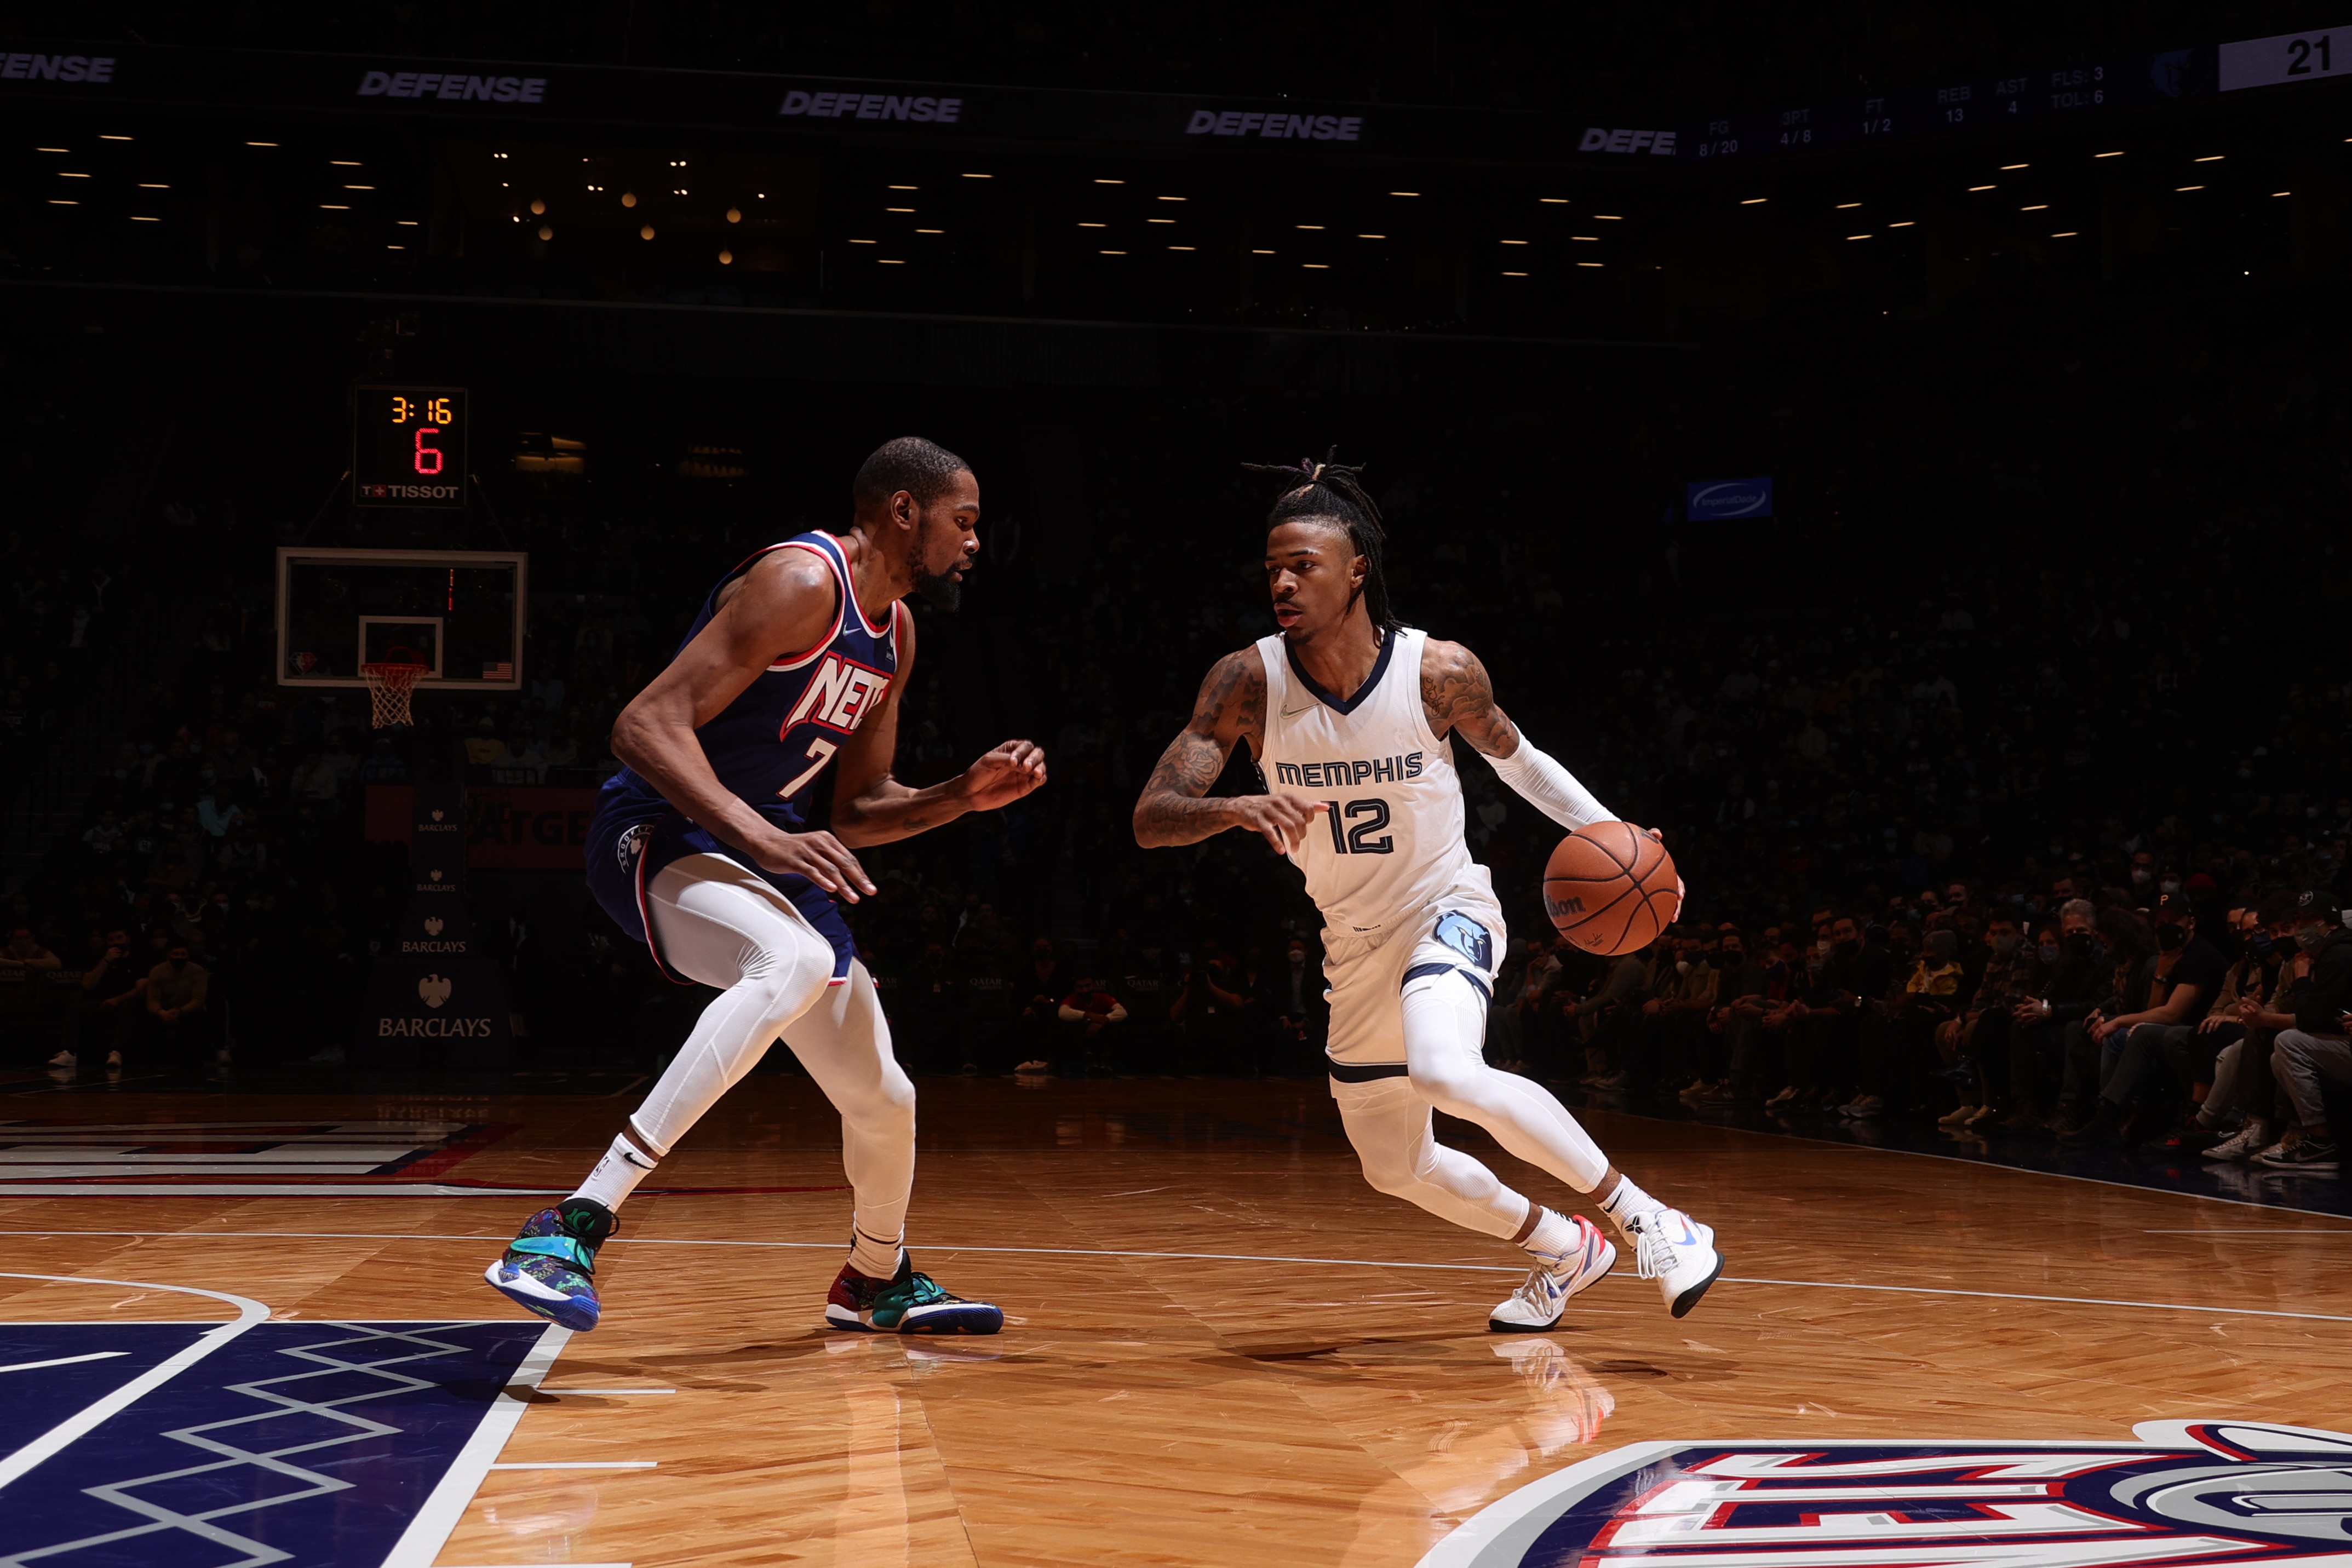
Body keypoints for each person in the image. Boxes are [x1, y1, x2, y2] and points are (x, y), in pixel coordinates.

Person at [1132, 452, 1720, 1331]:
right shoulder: (1246, 680)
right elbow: (1152, 816)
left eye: (1303, 566)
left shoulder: (1437, 671)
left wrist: (1609, 831)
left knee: (1448, 1070)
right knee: (1391, 1166)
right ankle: (1564, 1247)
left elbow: (1518, 760)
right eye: (1272, 570)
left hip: (1446, 907)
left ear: (1357, 570)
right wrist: (1235, 807)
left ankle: (1648, 1219)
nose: (1282, 584)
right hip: (1353, 938)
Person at [485, 436, 1047, 1336]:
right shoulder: (802, 582)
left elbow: (859, 808)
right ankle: (570, 1226)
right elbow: (642, 724)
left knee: (884, 1096)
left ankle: (875, 1277)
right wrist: (750, 829)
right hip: (659, 831)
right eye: (965, 522)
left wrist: (958, 798)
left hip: (764, 848)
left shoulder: (896, 632)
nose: (975, 543)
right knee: (786, 957)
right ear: (904, 511)